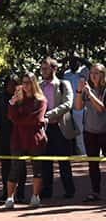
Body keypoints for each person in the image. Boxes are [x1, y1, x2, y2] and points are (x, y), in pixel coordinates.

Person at [4, 73, 49, 209]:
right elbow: (11, 117)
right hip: (18, 138)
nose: (26, 85)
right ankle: (10, 197)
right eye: (24, 82)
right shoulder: (18, 100)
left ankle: (35, 196)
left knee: (37, 168)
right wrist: (12, 103)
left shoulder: (40, 100)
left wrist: (19, 119)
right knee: (15, 168)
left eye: (29, 82)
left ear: (34, 83)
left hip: (35, 138)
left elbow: (35, 119)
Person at [39, 57, 77, 200]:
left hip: (61, 128)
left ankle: (69, 190)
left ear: (54, 69)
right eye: (42, 69)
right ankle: (47, 191)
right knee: (45, 162)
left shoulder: (63, 84)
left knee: (64, 162)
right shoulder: (40, 86)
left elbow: (68, 104)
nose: (43, 71)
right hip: (45, 128)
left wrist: (50, 114)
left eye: (46, 68)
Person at [0, 74, 26, 204]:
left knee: (20, 165)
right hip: (4, 137)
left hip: (19, 135)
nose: (11, 87)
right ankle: (6, 192)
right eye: (9, 84)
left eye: (14, 84)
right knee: (5, 165)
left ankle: (20, 193)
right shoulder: (0, 98)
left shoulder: (23, 98)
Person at [75, 63, 106, 201]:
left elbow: (101, 108)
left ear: (103, 75)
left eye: (97, 73)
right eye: (92, 73)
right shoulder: (88, 89)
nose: (93, 75)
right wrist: (80, 91)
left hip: (104, 131)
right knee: (93, 164)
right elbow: (78, 106)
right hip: (89, 131)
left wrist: (90, 94)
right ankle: (95, 192)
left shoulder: (105, 90)